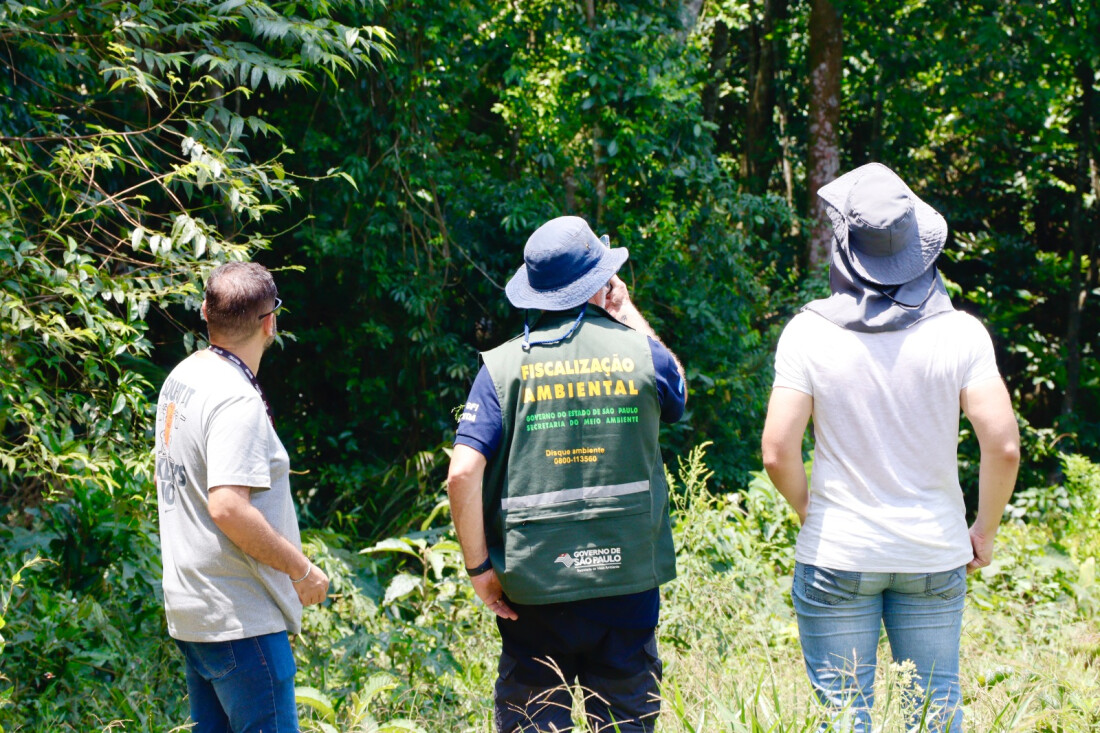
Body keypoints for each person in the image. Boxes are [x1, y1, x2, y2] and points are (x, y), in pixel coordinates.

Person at [761, 163, 1021, 732]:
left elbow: (778, 451)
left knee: (842, 718)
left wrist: (815, 512)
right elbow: (1001, 445)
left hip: (838, 552)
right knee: (932, 713)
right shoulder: (961, 334)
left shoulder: (808, 331)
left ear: (846, 252)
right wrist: (984, 529)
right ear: (918, 253)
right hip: (933, 550)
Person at [447, 216, 687, 732]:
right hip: (626, 582)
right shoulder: (641, 353)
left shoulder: (501, 367)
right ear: (601, 282)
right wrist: (625, 311)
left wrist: (478, 568)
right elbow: (678, 394)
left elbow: (462, 474)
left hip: (535, 589)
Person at [154, 261, 329, 732]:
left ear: (205, 312)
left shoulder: (183, 377)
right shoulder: (236, 400)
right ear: (270, 322)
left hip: (195, 611)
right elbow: (228, 506)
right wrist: (302, 569)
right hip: (240, 619)